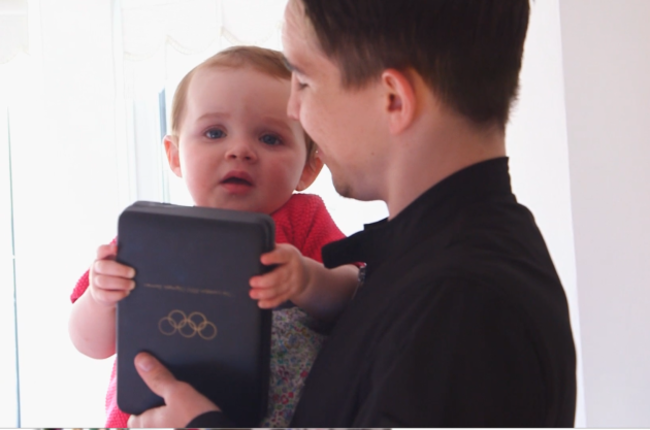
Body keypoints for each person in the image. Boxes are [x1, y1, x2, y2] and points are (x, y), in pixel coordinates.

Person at [127, 0, 578, 427]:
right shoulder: (419, 270)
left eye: (303, 81)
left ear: (393, 100)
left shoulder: (465, 308)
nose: (292, 109)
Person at [68, 46, 360, 428]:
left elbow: (356, 297)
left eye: (270, 139)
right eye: (214, 132)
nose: (239, 151)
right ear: (174, 156)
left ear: (308, 167)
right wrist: (99, 297)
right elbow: (90, 345)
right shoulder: (149, 237)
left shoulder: (302, 219)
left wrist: (308, 279)